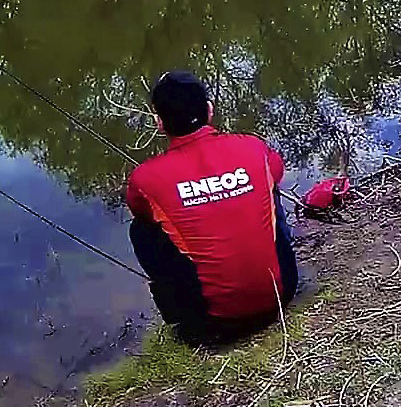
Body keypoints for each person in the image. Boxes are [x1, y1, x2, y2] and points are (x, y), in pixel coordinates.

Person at [125, 72, 299, 345]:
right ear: (209, 110)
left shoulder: (145, 178)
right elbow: (277, 171)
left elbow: (140, 211)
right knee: (265, 186)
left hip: (213, 323)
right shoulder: (253, 147)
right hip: (282, 295)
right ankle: (263, 279)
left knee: (141, 229)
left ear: (159, 123)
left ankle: (180, 318)